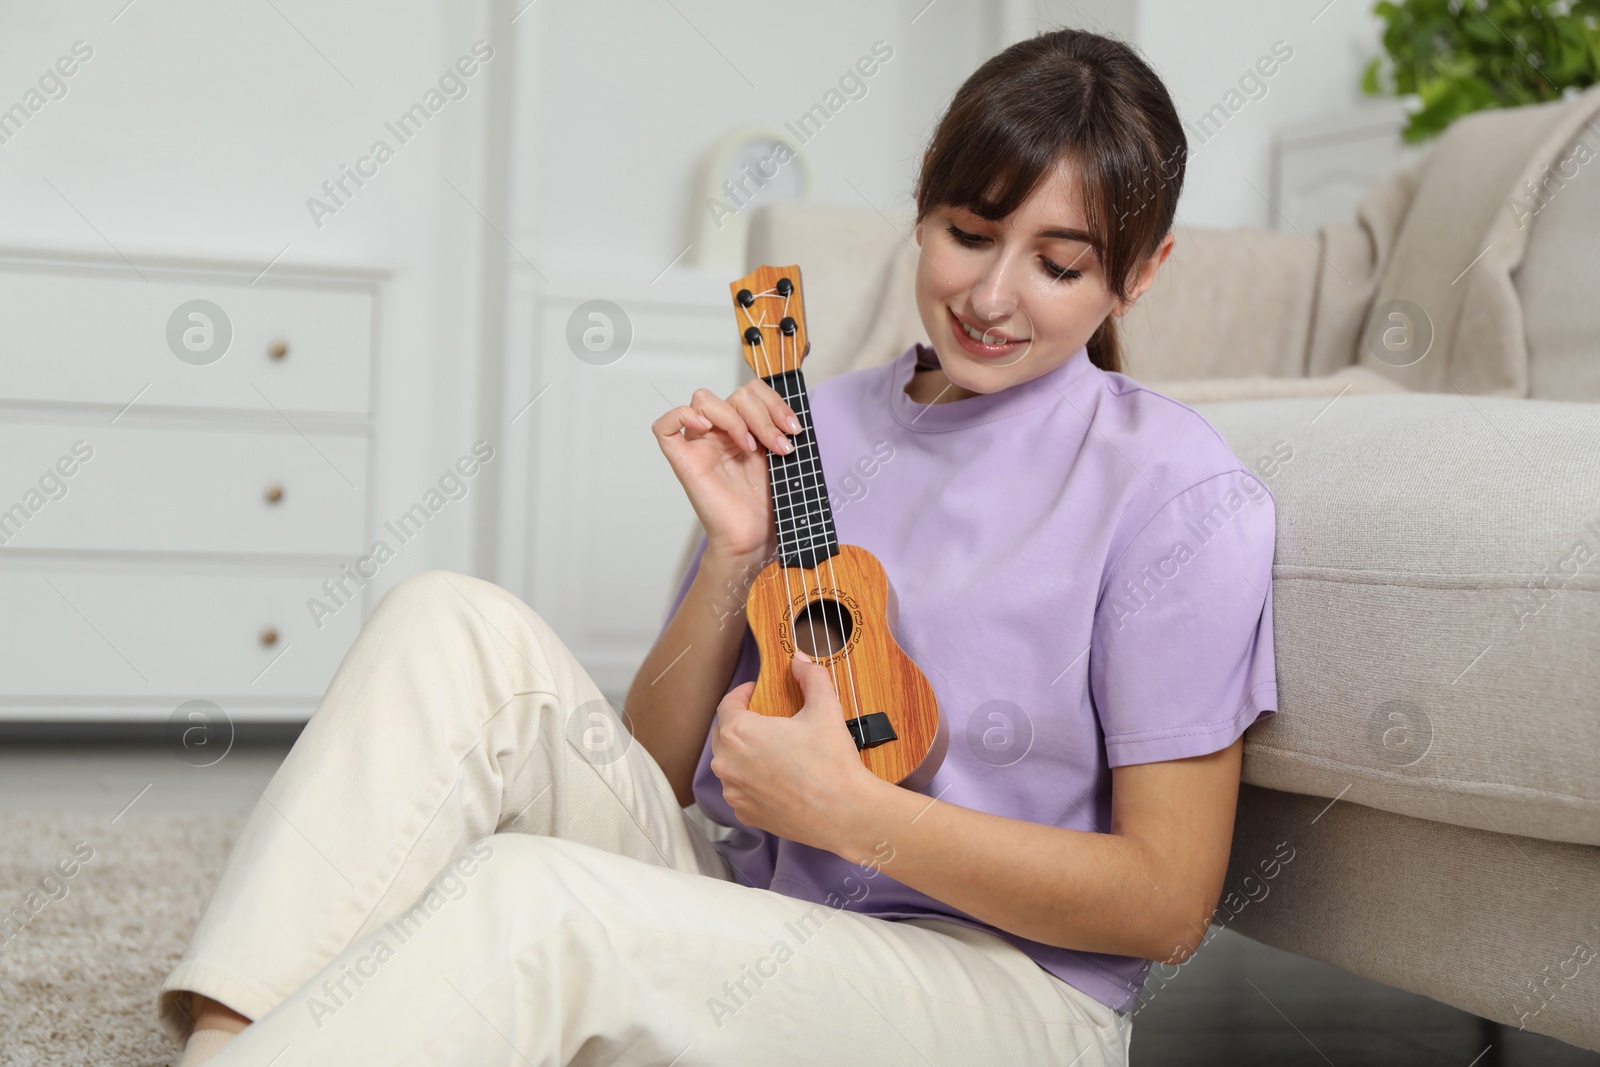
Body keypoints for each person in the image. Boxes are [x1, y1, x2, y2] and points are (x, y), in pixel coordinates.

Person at [159, 27, 1276, 1067]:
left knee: (535, 896)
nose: (989, 295)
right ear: (923, 203)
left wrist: (855, 816)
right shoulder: (814, 425)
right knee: (444, 617)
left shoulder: (1177, 492)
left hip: (1000, 985)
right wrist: (729, 555)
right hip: (758, 910)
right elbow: (658, 768)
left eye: (1058, 264)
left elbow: (1165, 901)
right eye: (968, 234)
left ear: (1140, 270)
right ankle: (230, 1035)